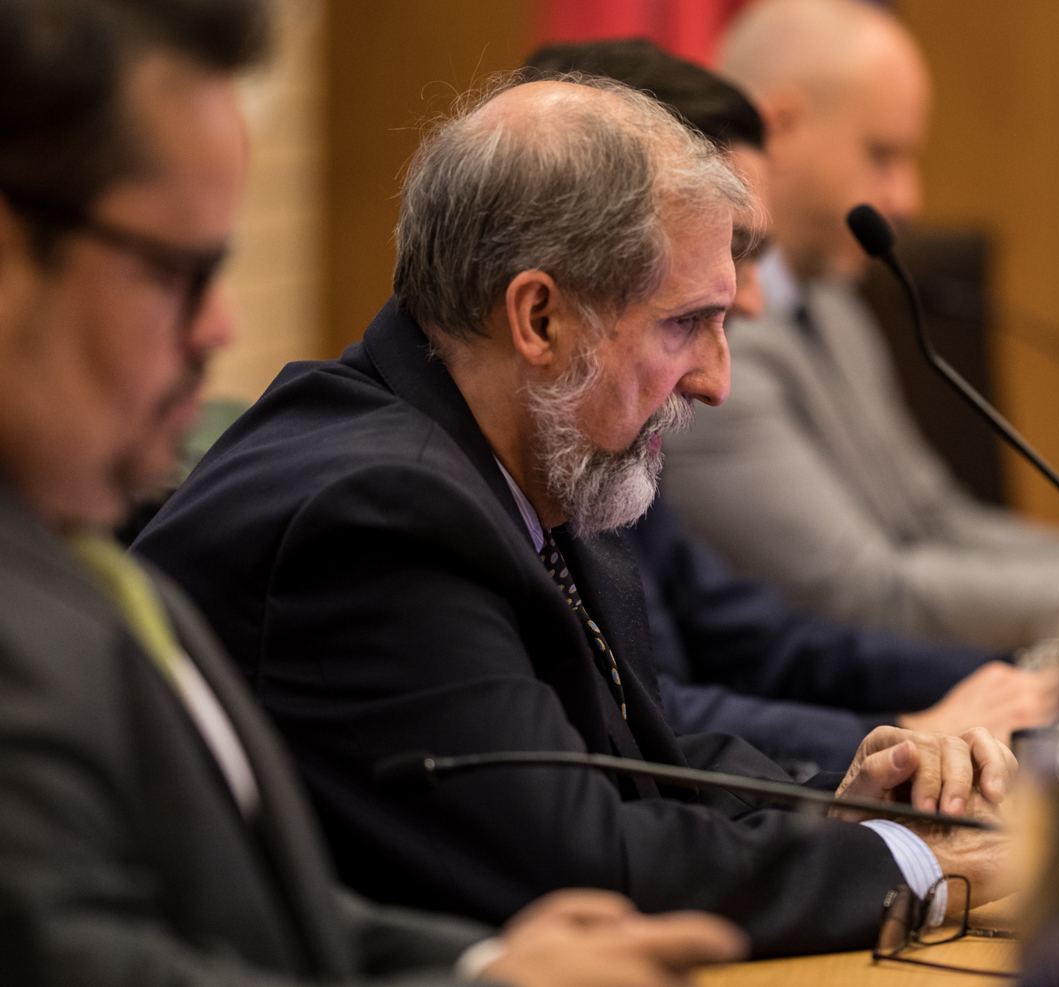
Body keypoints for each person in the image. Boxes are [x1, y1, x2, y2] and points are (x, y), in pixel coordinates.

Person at [134, 71, 1016, 958]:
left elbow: (629, 755)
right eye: (686, 324)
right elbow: (576, 864)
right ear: (541, 318)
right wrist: (920, 867)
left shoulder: (520, 458)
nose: (717, 380)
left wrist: (845, 806)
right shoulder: (377, 516)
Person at [0, 0, 746, 983]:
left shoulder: (71, 558)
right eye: (181, 271)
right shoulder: (372, 505)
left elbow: (274, 921)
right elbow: (75, 962)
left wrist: (482, 968)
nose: (221, 328)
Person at [662, 0, 1059, 651]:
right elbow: (867, 596)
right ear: (782, 126)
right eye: (882, 155)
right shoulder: (710, 350)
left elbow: (938, 522)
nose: (908, 200)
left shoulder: (832, 305)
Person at [522, 38, 1059, 773]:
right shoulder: (437, 491)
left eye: (750, 254)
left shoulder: (607, 436)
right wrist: (904, 733)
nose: (753, 300)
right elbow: (638, 723)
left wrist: (1019, 683)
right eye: (730, 255)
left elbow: (758, 639)